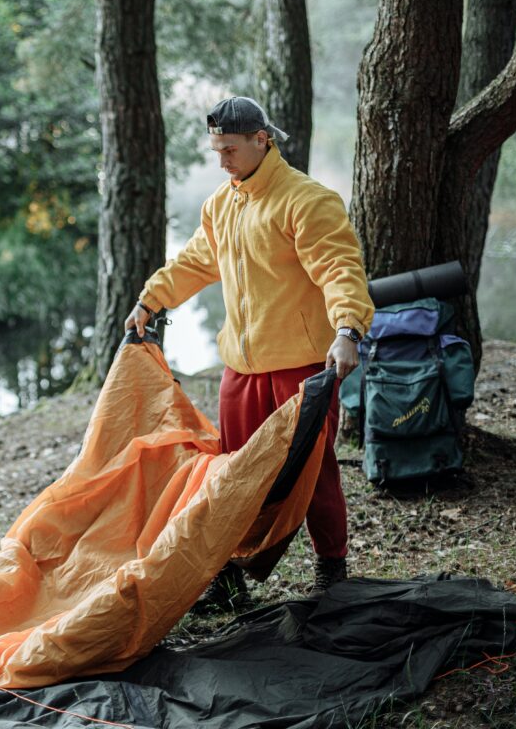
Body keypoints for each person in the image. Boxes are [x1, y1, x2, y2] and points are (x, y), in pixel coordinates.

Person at [125, 96, 374, 610]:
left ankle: (333, 569)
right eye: (216, 150)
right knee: (232, 473)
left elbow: (339, 269)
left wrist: (348, 329)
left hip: (302, 365)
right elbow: (196, 260)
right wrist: (151, 299)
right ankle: (230, 575)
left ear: (263, 140)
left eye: (230, 149)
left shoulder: (306, 200)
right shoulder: (221, 203)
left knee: (315, 468)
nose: (222, 160)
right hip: (241, 367)